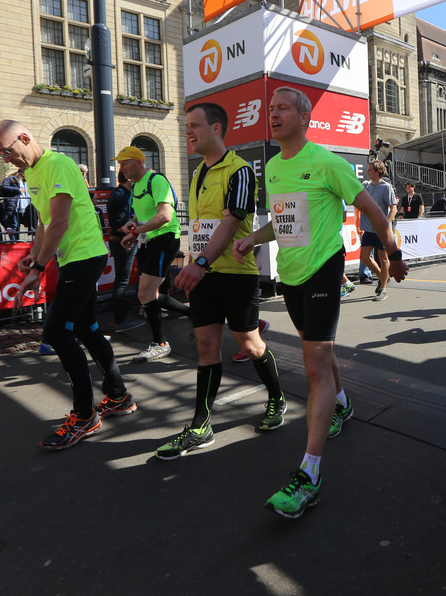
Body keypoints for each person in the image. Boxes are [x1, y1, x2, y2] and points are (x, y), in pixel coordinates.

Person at [232, 86, 409, 518]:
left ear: (304, 117)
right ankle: (342, 404)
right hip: (291, 276)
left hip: (324, 270)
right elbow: (283, 223)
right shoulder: (274, 167)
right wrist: (253, 238)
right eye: (271, 109)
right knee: (320, 355)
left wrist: (395, 252)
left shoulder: (327, 162)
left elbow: (371, 210)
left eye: (282, 108)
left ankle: (309, 474)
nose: (273, 114)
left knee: (313, 364)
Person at [0, 120, 137, 450]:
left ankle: (84, 416)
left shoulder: (58, 164)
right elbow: (44, 223)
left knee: (56, 333)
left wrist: (39, 268)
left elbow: (60, 222)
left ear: (25, 137)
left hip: (85, 257)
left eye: (7, 151)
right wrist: (33, 255)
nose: (6, 159)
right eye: (0, 155)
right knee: (85, 328)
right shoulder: (32, 173)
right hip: (74, 259)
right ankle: (118, 396)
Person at [155, 102, 287, 459]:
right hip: (203, 275)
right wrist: (194, 263)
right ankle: (201, 426)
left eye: (195, 125)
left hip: (235, 275)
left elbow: (231, 223)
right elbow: (203, 227)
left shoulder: (240, 170)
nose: (188, 131)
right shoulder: (198, 171)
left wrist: (199, 263)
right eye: (186, 126)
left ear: (216, 129)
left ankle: (277, 397)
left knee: (250, 344)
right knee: (206, 347)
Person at [112, 146, 192, 362]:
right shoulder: (136, 185)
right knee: (148, 294)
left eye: (124, 163)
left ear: (139, 162)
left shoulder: (156, 181)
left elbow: (164, 216)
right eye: (119, 164)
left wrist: (135, 232)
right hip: (148, 241)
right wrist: (132, 224)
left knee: (145, 293)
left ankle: (160, 344)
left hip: (164, 238)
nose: (121, 168)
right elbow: (143, 216)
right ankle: (193, 314)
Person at [358, 159, 398, 302]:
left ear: (377, 172)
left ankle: (383, 288)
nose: (367, 172)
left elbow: (394, 209)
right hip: (368, 230)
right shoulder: (365, 185)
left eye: (370, 170)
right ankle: (382, 277)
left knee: (383, 259)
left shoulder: (386, 188)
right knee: (364, 257)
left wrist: (385, 224)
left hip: (381, 231)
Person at [106, 170, 139, 328]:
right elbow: (120, 225)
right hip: (122, 242)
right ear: (128, 178)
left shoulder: (123, 193)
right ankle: (121, 318)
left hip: (123, 241)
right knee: (121, 281)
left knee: (122, 280)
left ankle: (123, 316)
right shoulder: (121, 195)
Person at [0, 170, 34, 241]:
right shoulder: (12, 178)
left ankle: (22, 241)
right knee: (14, 226)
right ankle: (14, 243)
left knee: (27, 223)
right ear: (23, 173)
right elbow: (3, 187)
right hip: (14, 206)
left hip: (25, 207)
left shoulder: (27, 181)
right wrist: (18, 189)